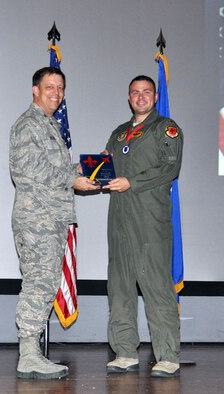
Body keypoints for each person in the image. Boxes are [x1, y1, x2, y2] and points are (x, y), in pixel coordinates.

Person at [9, 67, 99, 380]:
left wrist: (93, 167)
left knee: (45, 284)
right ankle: (28, 354)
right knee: (38, 284)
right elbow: (35, 171)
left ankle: (31, 354)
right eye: (49, 87)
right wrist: (74, 178)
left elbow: (57, 168)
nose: (55, 93)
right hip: (37, 220)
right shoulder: (28, 125)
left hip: (51, 219)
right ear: (35, 90)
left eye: (60, 88)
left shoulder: (48, 126)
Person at [102, 75, 183, 378]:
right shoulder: (120, 133)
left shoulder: (166, 128)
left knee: (157, 288)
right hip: (120, 221)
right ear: (128, 97)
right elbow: (105, 164)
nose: (140, 97)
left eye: (146, 92)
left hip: (150, 222)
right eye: (135, 92)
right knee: (120, 287)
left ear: (155, 95)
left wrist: (132, 182)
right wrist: (94, 170)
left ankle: (168, 355)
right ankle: (124, 352)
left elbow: (169, 167)